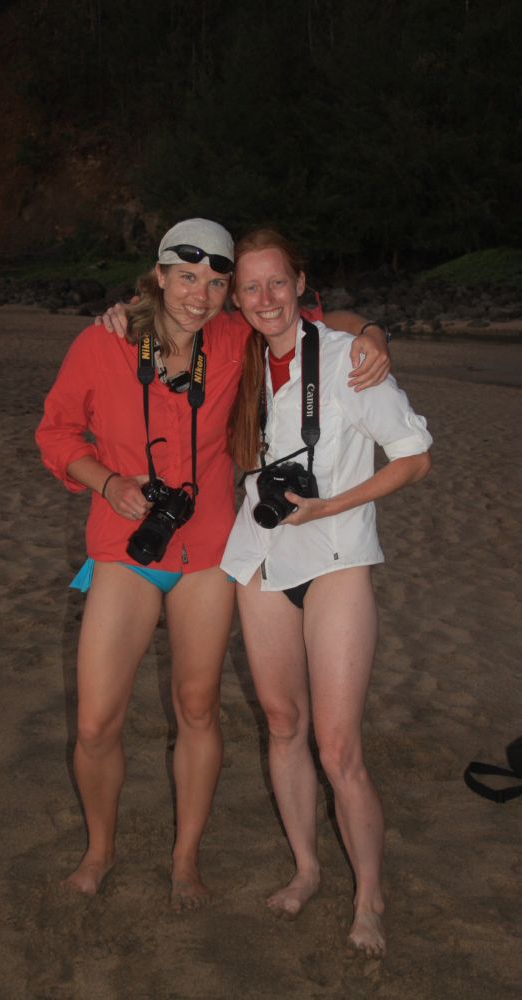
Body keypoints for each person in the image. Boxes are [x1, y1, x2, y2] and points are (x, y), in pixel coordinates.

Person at [36, 219, 390, 912]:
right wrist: (107, 482)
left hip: (207, 552)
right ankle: (99, 851)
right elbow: (55, 432)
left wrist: (372, 333)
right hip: (126, 549)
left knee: (197, 708)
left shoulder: (235, 338)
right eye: (186, 278)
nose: (199, 296)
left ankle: (185, 859)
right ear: (159, 277)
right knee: (95, 723)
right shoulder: (104, 342)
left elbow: (319, 321)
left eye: (215, 283)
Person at [221, 229, 432, 957]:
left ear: (300, 283)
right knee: (283, 724)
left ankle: (369, 896)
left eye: (276, 283)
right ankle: (307, 868)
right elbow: (169, 325)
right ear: (235, 298)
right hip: (259, 558)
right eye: (250, 287)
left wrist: (329, 507)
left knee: (339, 748)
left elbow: (414, 457)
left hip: (336, 557)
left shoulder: (347, 360)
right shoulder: (239, 361)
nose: (265, 299)